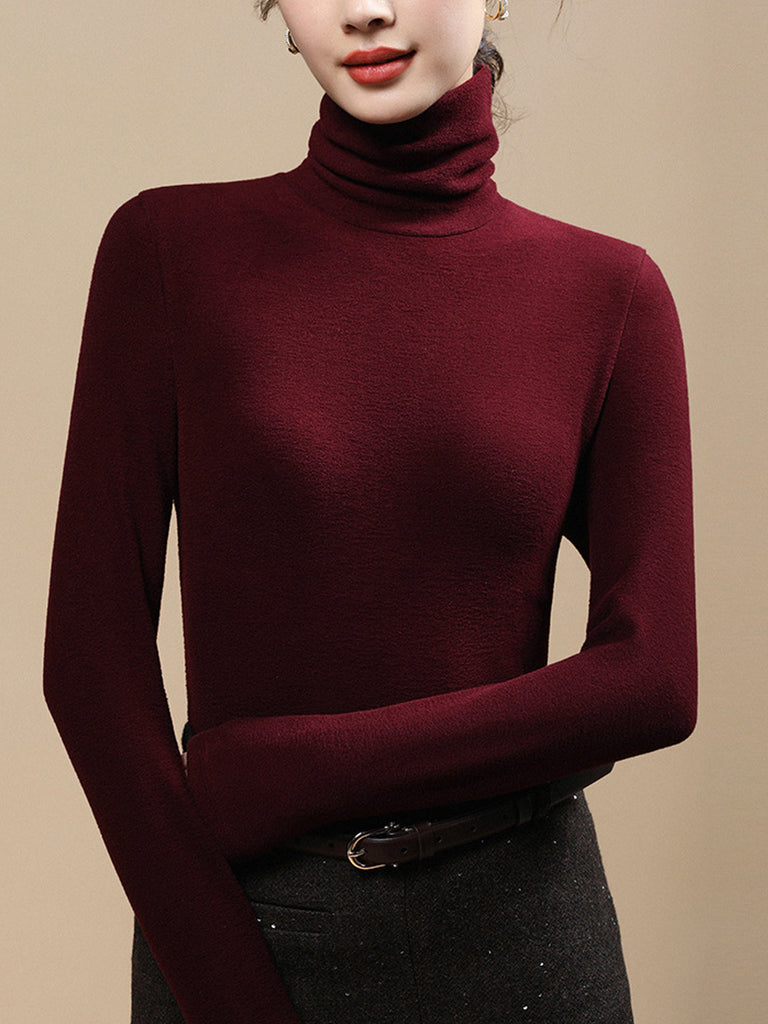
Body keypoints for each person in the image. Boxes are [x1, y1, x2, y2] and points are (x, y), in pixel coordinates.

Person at [43, 1, 697, 1022]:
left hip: (524, 942)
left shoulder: (610, 293)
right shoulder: (168, 252)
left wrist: (297, 771)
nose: (367, 9)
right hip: (243, 927)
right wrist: (229, 994)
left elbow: (653, 680)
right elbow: (89, 668)